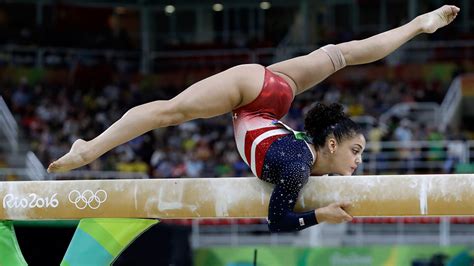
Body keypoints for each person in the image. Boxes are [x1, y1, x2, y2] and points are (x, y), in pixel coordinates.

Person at [47, 6, 460, 232]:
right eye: (356, 150)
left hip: (271, 97)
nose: (359, 161)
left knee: (343, 54)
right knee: (168, 111)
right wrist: (322, 214)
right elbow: (278, 221)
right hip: (254, 97)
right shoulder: (299, 164)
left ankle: (418, 24)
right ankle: (89, 148)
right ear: (330, 145)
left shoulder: (305, 159)